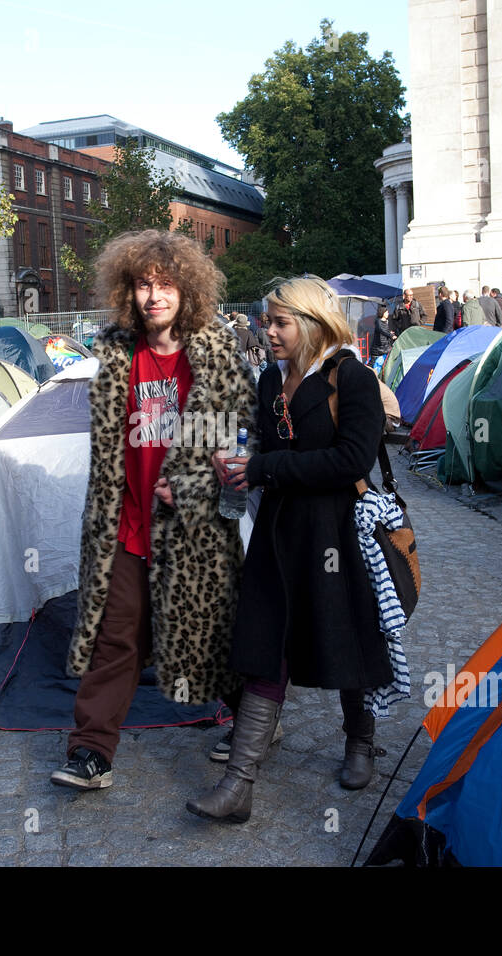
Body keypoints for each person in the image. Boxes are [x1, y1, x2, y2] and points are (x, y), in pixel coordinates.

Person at [51, 229, 255, 790]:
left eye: (166, 285)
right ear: (129, 291)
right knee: (117, 637)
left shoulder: (214, 357)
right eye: (144, 285)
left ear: (187, 291)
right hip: (127, 524)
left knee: (210, 631)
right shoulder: (118, 356)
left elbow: (243, 449)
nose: (154, 296)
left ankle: (256, 722)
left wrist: (195, 484)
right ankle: (92, 751)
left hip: (196, 531)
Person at [187, 276, 391, 823]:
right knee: (265, 645)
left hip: (336, 534)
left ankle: (360, 741)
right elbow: (265, 448)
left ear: (312, 322)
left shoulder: (353, 379)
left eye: (279, 322)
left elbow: (351, 462)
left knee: (343, 637)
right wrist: (238, 468)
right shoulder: (269, 382)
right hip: (278, 533)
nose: (267, 330)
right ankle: (238, 784)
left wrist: (263, 468)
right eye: (266, 320)